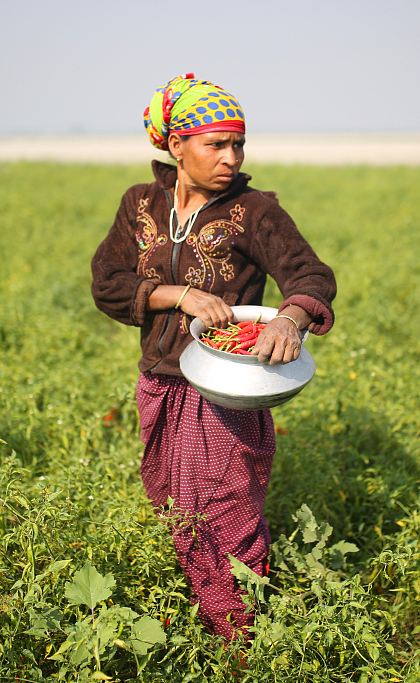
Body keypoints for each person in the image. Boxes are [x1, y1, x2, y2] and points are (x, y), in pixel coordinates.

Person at [90, 74, 336, 640]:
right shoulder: (140, 204)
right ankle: (219, 617)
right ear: (176, 145)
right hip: (159, 384)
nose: (231, 158)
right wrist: (176, 294)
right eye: (215, 145)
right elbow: (108, 282)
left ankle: (245, 637)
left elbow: (311, 275)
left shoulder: (253, 211)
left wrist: (289, 318)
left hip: (224, 391)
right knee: (179, 507)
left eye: (238, 145)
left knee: (226, 511)